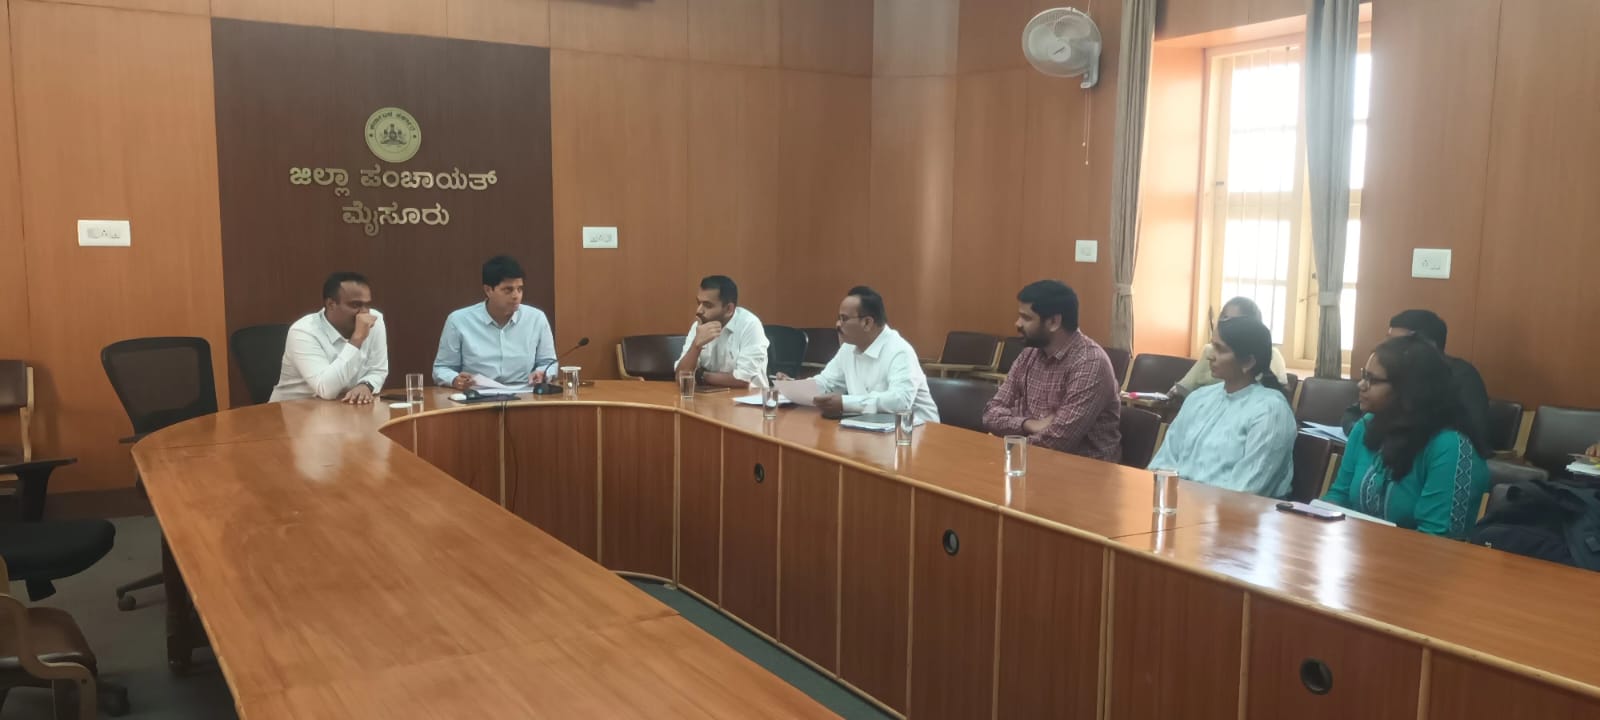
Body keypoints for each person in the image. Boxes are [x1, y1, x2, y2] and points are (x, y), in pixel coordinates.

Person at [1323, 335, 1490, 539]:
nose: (1361, 385)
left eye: (1372, 380)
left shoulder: (1450, 447)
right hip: (1357, 549)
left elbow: (1437, 539)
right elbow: (1338, 496)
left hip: (1420, 557)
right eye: (1364, 375)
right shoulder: (1366, 426)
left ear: (1408, 388)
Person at [1147, 317, 1297, 497]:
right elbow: (1163, 462)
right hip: (1177, 503)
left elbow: (1247, 490)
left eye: (1220, 349)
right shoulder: (1198, 398)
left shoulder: (1271, 410)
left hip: (1233, 511)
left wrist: (1189, 504)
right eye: (1212, 346)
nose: (1210, 356)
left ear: (1248, 362)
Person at [981, 280, 1122, 461]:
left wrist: (1009, 448)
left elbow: (1057, 441)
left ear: (1054, 322)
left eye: (1026, 318)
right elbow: (990, 414)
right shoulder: (1029, 354)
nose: (1017, 323)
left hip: (1085, 469)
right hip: (1034, 461)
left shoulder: (1090, 362)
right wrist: (1028, 424)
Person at [1339, 309, 1489, 439]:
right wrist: (1359, 435)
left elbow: (1472, 430)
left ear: (1428, 346)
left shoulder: (1462, 377)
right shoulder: (1388, 374)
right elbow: (1353, 413)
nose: (1388, 348)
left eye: (1397, 342)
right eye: (1388, 340)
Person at [808, 286, 939, 422]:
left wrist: (845, 403)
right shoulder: (848, 348)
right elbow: (826, 383)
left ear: (867, 323)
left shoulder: (900, 351)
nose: (838, 324)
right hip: (871, 427)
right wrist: (794, 388)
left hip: (917, 430)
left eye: (844, 318)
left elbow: (900, 401)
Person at [433, 256, 558, 390]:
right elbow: (441, 368)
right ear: (488, 290)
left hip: (524, 393)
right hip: (476, 394)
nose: (516, 296)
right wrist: (454, 380)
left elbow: (549, 363)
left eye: (520, 289)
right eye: (508, 290)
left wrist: (543, 373)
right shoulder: (459, 320)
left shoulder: (536, 318)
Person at [271, 271, 389, 403]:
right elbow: (326, 390)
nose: (364, 313)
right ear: (331, 304)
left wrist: (366, 385)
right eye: (355, 305)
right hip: (293, 409)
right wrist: (357, 339)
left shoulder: (375, 320)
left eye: (367, 305)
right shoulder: (303, 331)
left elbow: (378, 370)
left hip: (341, 407)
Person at [1169, 296, 1288, 398]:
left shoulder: (1271, 356)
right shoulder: (1209, 351)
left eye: (1235, 322)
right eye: (1224, 318)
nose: (1226, 326)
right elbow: (1182, 389)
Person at [674, 275, 770, 389]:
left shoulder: (749, 325)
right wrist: (696, 346)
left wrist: (701, 375)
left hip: (748, 398)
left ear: (729, 309)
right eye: (698, 303)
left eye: (707, 305)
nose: (699, 310)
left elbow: (743, 379)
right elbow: (681, 377)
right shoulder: (699, 326)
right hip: (711, 397)